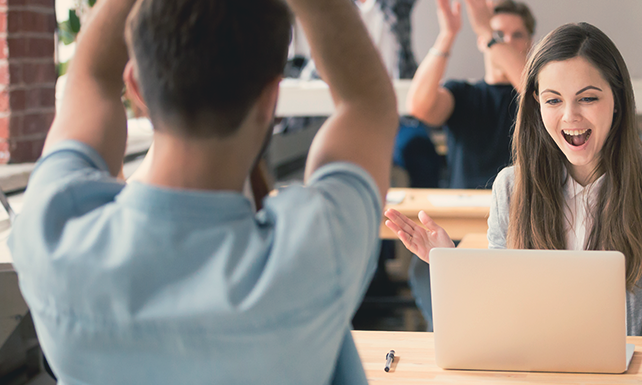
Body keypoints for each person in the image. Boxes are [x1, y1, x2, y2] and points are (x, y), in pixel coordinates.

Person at [9, 0, 397, 383]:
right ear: (270, 99)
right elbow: (366, 103)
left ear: (137, 88)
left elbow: (89, 77)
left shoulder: (53, 235)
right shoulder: (315, 253)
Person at [387, 22, 642, 337]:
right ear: (536, 105)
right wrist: (449, 263)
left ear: (617, 100)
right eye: (553, 100)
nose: (570, 116)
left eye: (587, 98)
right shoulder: (511, 188)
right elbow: (500, 316)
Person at [407, 0, 534, 190]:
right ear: (481, 42)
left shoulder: (537, 96)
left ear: (530, 42)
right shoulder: (462, 94)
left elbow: (534, 93)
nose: (507, 41)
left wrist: (489, 33)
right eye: (499, 35)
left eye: (517, 35)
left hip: (520, 208)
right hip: (463, 210)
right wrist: (447, 35)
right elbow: (418, 107)